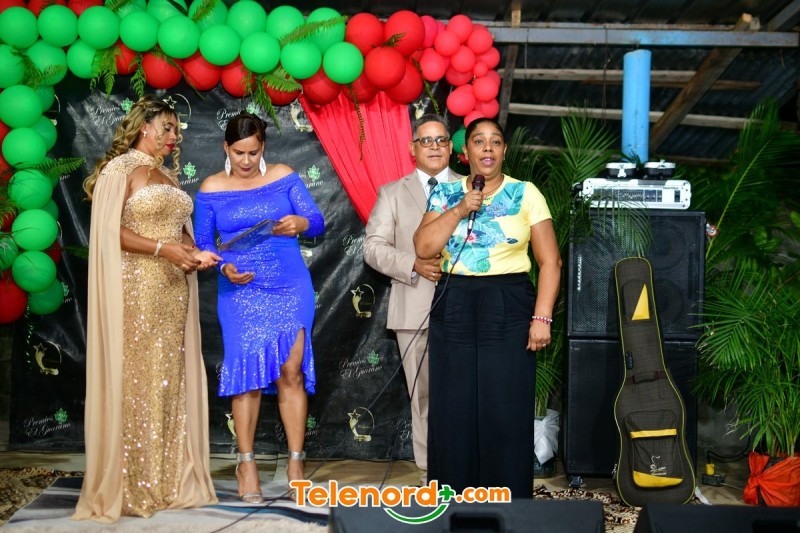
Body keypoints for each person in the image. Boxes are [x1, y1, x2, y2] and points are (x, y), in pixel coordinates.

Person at [74, 95, 220, 522]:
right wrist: (163, 249)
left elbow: (179, 233)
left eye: (177, 129)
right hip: (134, 290)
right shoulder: (121, 170)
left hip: (173, 294)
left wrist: (195, 252)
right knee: (136, 380)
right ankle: (130, 482)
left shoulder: (167, 176)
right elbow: (107, 230)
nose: (174, 136)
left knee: (166, 382)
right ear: (145, 126)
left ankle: (166, 481)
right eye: (168, 127)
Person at [413, 117, 562, 498]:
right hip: (454, 301)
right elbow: (424, 248)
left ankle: (506, 501)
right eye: (479, 142)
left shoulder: (526, 193)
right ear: (466, 152)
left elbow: (550, 261)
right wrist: (460, 208)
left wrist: (541, 317)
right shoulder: (446, 193)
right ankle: (452, 499)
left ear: (504, 151)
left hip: (507, 302)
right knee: (453, 405)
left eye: (495, 141)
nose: (488, 149)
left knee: (504, 404)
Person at [193, 112, 324, 503]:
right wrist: (224, 267)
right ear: (226, 148)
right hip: (239, 289)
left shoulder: (284, 175)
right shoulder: (211, 187)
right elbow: (204, 244)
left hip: (289, 285)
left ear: (263, 147)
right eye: (239, 153)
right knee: (247, 376)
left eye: (253, 152)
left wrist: (299, 223)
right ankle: (246, 463)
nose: (247, 160)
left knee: (291, 371)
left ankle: (296, 463)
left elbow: (316, 221)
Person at [363, 114, 461, 479]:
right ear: (412, 148)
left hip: (466, 305)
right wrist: (413, 264)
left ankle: (465, 461)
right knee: (422, 395)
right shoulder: (392, 192)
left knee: (462, 390)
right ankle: (430, 468)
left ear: (451, 147)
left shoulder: (472, 189)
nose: (434, 147)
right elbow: (372, 247)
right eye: (426, 141)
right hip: (413, 303)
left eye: (441, 140)